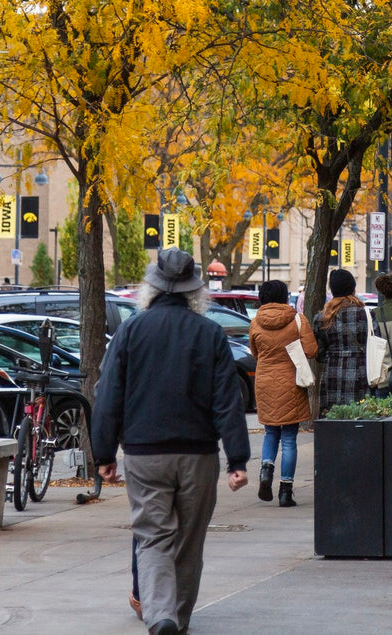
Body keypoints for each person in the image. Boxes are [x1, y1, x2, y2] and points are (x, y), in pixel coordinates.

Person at [91, 248, 250, 635]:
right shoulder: (210, 332)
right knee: (189, 542)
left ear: (153, 286)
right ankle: (176, 616)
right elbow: (227, 400)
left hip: (145, 453)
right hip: (198, 454)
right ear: (195, 291)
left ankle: (160, 614)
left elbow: (109, 393)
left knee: (152, 537)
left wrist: (104, 453)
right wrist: (238, 460)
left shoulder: (132, 329)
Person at [248, 279, 317, 507]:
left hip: (265, 381)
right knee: (289, 438)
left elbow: (254, 352)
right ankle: (286, 491)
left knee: (270, 433)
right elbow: (311, 350)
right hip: (291, 382)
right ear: (286, 296)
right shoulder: (297, 319)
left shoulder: (256, 322)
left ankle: (266, 469)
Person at [313, 269, 376, 415]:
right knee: (361, 417)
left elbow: (318, 353)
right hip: (361, 371)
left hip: (332, 372)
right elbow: (376, 342)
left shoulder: (322, 318)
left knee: (333, 418)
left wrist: (333, 355)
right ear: (353, 289)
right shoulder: (366, 314)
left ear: (333, 290)